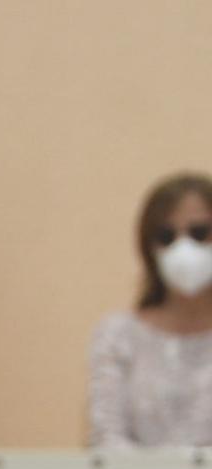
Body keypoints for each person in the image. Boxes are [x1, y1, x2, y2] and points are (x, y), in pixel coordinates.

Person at [89, 172, 212, 448]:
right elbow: (106, 438)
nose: (183, 248)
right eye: (167, 236)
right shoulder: (117, 335)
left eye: (199, 233)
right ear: (149, 247)